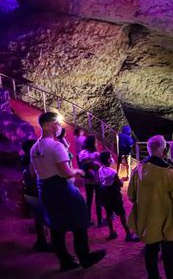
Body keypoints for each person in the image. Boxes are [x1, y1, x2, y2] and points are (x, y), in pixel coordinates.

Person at [30, 112, 105, 272]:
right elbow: (65, 172)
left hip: (44, 188)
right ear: (50, 125)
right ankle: (85, 258)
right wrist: (77, 171)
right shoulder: (55, 146)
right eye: (57, 123)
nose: (59, 127)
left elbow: (32, 171)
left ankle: (65, 261)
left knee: (56, 226)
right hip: (61, 188)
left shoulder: (34, 147)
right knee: (80, 221)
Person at [128, 135, 173, 279]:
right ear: (164, 149)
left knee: (151, 252)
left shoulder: (138, 170)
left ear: (148, 150)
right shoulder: (169, 173)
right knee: (170, 257)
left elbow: (131, 195)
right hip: (167, 223)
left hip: (148, 222)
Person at [98, 151, 140, 242]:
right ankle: (128, 234)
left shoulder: (100, 169)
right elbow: (120, 184)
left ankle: (112, 232)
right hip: (114, 195)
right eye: (110, 157)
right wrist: (122, 179)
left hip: (105, 194)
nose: (111, 159)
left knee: (108, 214)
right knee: (122, 214)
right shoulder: (112, 172)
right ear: (107, 160)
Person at [21, 139, 53, 253]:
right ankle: (46, 242)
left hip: (30, 193)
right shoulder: (34, 163)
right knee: (46, 218)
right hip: (37, 193)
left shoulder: (26, 161)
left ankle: (41, 241)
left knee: (38, 218)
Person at [79, 135, 103, 227]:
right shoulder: (96, 154)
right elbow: (99, 166)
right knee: (98, 200)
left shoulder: (82, 153)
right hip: (96, 180)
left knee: (88, 200)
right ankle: (100, 220)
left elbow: (81, 164)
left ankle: (88, 220)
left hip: (87, 180)